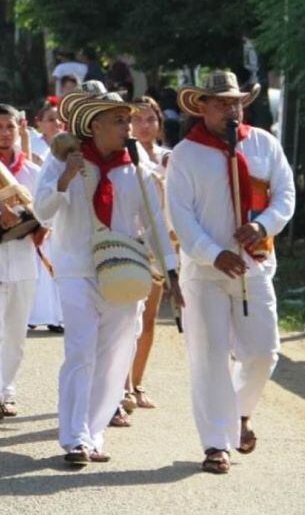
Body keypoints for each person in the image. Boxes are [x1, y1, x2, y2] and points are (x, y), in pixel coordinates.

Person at [34, 86, 180, 467]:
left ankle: (94, 433)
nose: (127, 127)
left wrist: (172, 272)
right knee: (80, 351)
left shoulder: (139, 170)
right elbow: (42, 211)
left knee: (115, 356)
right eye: (119, 121)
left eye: (128, 120)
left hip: (124, 272)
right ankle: (74, 438)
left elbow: (154, 226)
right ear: (95, 125)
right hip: (76, 269)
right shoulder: (65, 161)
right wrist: (65, 179)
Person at [166, 70, 295, 475]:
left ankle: (240, 413)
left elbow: (286, 193)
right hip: (205, 272)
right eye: (221, 102)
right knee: (209, 357)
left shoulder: (263, 144)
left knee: (262, 352)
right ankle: (216, 443)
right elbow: (179, 216)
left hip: (254, 264)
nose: (231, 109)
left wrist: (263, 225)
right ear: (202, 107)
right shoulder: (185, 154)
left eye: (236, 101)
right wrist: (212, 253)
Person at [0, 104, 42, 422]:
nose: (4, 132)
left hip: (25, 259)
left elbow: (47, 212)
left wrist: (27, 219)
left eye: (10, 127)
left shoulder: (33, 172)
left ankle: (9, 390)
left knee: (15, 332)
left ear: (19, 129)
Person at [123, 95, 171, 411]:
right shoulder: (123, 157)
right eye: (137, 119)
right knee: (127, 317)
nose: (144, 125)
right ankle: (122, 385)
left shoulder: (170, 158)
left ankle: (137, 382)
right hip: (128, 242)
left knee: (149, 319)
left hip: (159, 243)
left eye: (150, 119)